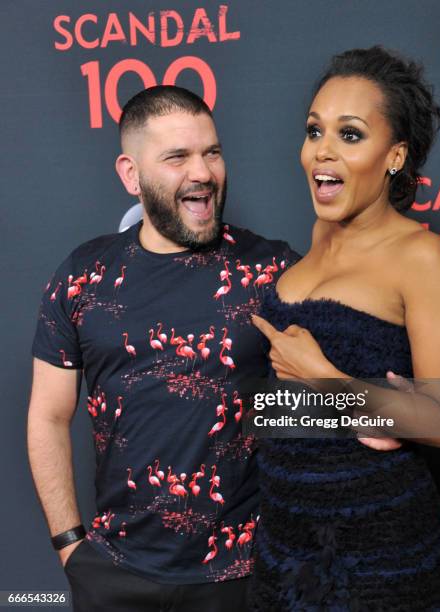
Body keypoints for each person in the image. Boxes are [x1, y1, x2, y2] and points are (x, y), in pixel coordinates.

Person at [27, 85, 300, 612]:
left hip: (245, 578)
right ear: (131, 175)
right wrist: (70, 547)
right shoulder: (83, 276)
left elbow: (341, 403)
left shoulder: (273, 271)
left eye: (212, 152)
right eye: (177, 157)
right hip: (114, 574)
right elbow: (48, 415)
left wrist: (406, 409)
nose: (202, 172)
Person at [251, 47, 440, 610]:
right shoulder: (315, 238)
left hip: (378, 555)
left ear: (395, 156)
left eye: (351, 135)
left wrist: (328, 380)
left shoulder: (420, 254)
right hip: (288, 545)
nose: (322, 151)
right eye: (314, 130)